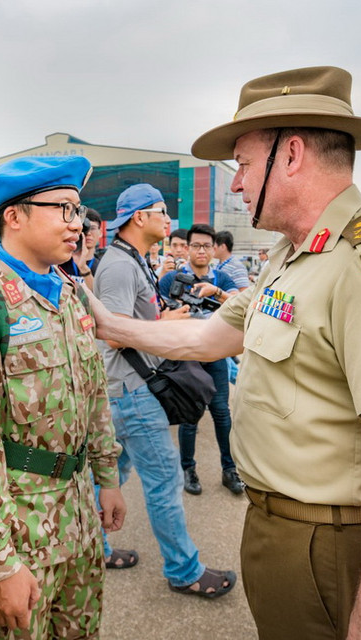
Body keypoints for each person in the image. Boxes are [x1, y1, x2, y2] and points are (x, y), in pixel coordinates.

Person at [90, 66, 361, 639]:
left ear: (290, 156)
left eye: (241, 164)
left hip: (330, 542)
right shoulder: (290, 259)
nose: (236, 184)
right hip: (278, 527)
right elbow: (209, 336)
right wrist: (109, 323)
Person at [0, 155, 125, 638]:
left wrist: (109, 476)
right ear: (13, 217)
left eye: (78, 211)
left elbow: (94, 394)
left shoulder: (71, 295)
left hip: (79, 512)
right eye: (63, 209)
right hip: (20, 527)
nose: (76, 224)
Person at [94, 182, 236, 600]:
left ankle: (98, 548)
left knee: (112, 475)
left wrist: (165, 318)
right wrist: (166, 326)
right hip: (132, 391)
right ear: (139, 217)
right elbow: (114, 333)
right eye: (159, 211)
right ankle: (184, 570)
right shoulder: (120, 266)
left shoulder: (133, 258)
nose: (167, 219)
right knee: (164, 482)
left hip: (126, 389)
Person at [159, 223, 242, 496]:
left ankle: (229, 470)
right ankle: (188, 469)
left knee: (221, 413)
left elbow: (241, 303)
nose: (201, 251)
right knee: (190, 416)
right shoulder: (172, 279)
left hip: (215, 354)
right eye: (195, 245)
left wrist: (215, 292)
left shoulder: (222, 278)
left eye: (207, 246)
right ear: (187, 248)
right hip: (186, 357)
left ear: (214, 249)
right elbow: (154, 309)